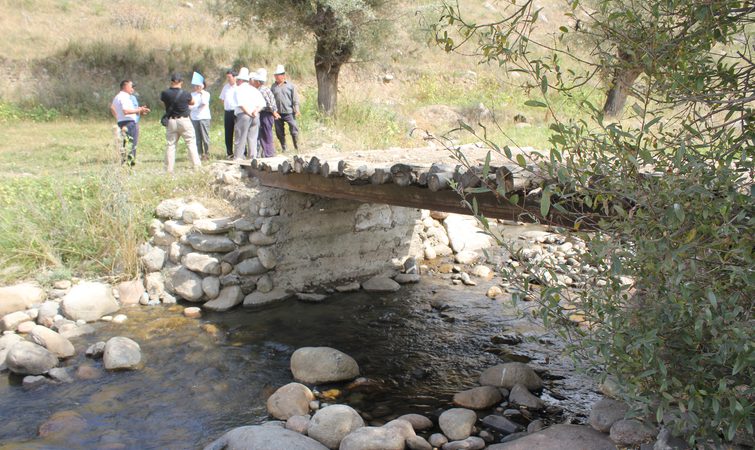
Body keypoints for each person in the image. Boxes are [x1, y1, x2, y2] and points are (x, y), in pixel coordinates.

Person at [160, 73, 201, 173]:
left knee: (171, 145)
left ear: (172, 81)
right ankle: (197, 167)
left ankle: (168, 170)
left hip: (171, 121)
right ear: (181, 82)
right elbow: (192, 102)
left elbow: (164, 102)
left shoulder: (165, 93)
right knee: (191, 143)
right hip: (184, 120)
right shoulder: (186, 93)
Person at [110, 79, 149, 165]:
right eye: (131, 86)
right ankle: (130, 165)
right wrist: (139, 110)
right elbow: (126, 111)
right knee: (132, 144)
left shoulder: (117, 97)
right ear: (125, 86)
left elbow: (114, 108)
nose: (132, 89)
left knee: (125, 144)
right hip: (129, 122)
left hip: (121, 121)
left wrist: (139, 110)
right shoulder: (124, 97)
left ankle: (123, 163)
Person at [232, 67, 266, 160]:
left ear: (240, 80)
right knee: (252, 137)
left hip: (244, 115)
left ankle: (238, 156)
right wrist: (255, 111)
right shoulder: (254, 89)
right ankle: (252, 156)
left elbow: (241, 104)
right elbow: (262, 104)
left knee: (240, 137)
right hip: (255, 115)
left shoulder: (238, 89)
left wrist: (249, 113)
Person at [270, 64, 300, 152]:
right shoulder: (273, 86)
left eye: (277, 75)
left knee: (294, 129)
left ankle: (297, 147)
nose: (276, 77)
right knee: (279, 132)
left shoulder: (290, 86)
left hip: (289, 112)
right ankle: (284, 147)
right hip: (278, 113)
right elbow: (271, 99)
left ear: (283, 76)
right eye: (275, 75)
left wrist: (297, 110)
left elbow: (295, 99)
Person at [251, 68, 279, 158]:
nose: (253, 82)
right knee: (265, 133)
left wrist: (274, 112)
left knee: (266, 133)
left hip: (266, 114)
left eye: (255, 81)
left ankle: (269, 153)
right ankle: (267, 153)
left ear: (258, 82)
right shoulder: (264, 89)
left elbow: (268, 103)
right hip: (267, 113)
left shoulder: (261, 90)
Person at [190, 75, 212, 161]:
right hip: (194, 118)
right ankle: (199, 154)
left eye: (198, 85)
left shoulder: (206, 94)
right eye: (195, 86)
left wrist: (201, 92)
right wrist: (194, 108)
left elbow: (204, 103)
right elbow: (189, 105)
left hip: (204, 117)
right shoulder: (192, 94)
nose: (196, 87)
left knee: (205, 137)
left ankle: (207, 154)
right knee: (197, 138)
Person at [218, 69, 237, 158]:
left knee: (239, 132)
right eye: (227, 77)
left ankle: (242, 152)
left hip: (237, 112)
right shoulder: (226, 87)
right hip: (228, 112)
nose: (228, 79)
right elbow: (222, 99)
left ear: (234, 77)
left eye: (229, 77)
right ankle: (229, 153)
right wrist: (226, 106)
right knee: (228, 133)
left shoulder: (238, 86)